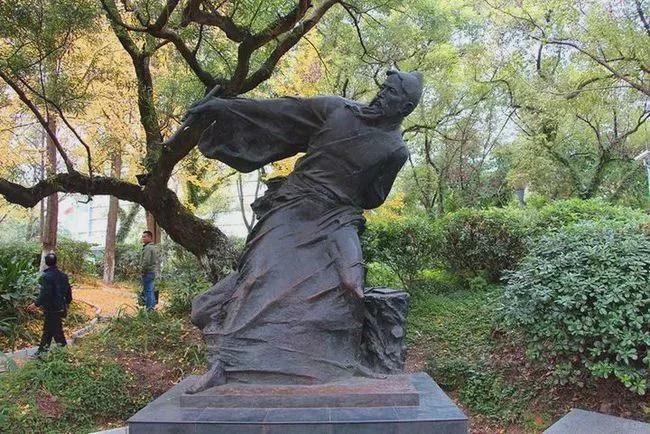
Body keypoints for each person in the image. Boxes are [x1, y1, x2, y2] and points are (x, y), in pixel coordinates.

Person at [184, 70, 423, 393]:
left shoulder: (395, 150)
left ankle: (352, 360)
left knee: (351, 284)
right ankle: (224, 363)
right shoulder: (337, 110)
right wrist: (224, 107)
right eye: (384, 87)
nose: (381, 93)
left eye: (391, 92)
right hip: (293, 206)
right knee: (255, 278)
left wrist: (346, 183)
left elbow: (373, 198)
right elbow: (280, 111)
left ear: (405, 106)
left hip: (337, 217)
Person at [27, 253, 72, 355]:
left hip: (51, 308)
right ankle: (42, 352)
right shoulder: (63, 276)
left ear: (46, 263)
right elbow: (68, 290)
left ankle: (64, 352)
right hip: (60, 307)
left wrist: (35, 304)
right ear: (56, 262)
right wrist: (67, 302)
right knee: (48, 331)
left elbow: (45, 293)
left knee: (57, 332)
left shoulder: (47, 276)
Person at [141, 230, 158, 310]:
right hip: (152, 272)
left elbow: (146, 261)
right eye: (142, 237)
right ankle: (151, 309)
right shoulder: (153, 247)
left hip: (147, 272)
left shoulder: (148, 248)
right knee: (151, 290)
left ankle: (149, 309)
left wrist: (142, 271)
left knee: (148, 291)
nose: (143, 238)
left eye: (145, 237)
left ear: (150, 237)